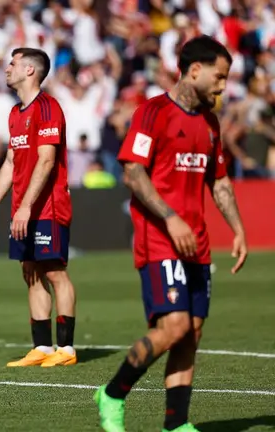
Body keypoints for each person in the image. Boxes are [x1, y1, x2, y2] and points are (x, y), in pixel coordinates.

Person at [94, 35, 248, 432]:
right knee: (174, 326)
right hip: (160, 237)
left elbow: (220, 182)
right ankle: (112, 393)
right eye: (219, 76)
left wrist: (238, 229)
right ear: (195, 69)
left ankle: (176, 424)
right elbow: (133, 171)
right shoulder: (153, 112)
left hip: (197, 242)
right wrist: (171, 217)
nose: (222, 85)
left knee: (191, 334)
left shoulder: (210, 124)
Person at [0, 47, 78, 367]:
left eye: (13, 63)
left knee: (54, 272)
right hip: (24, 206)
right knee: (30, 271)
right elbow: (10, 162)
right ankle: (43, 347)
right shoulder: (15, 113)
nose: (7, 69)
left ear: (30, 71)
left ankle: (67, 349)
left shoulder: (48, 108)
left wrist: (26, 207)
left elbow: (47, 161)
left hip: (48, 206)